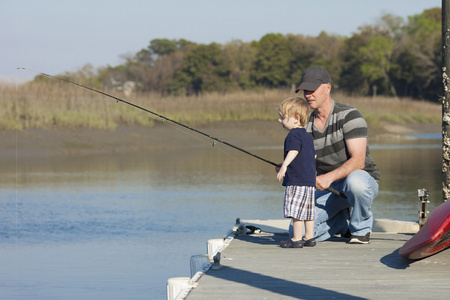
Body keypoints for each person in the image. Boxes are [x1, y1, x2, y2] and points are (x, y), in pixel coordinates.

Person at [295, 66, 380, 244]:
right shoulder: (305, 126)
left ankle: (361, 230)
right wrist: (289, 168)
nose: (307, 95)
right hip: (330, 187)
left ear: (327, 88)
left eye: (312, 90)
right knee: (299, 231)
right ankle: (341, 223)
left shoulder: (350, 116)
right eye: (305, 91)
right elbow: (306, 163)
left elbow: (358, 162)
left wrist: (327, 178)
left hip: (361, 181)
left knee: (355, 182)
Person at [276, 96, 317, 248]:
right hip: (309, 182)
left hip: (297, 182)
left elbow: (293, 151)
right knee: (308, 210)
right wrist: (284, 165)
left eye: (283, 117)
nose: (280, 120)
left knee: (296, 211)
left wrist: (285, 165)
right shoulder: (308, 137)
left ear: (296, 119)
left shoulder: (293, 134)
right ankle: (309, 237)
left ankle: (296, 238)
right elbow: (311, 156)